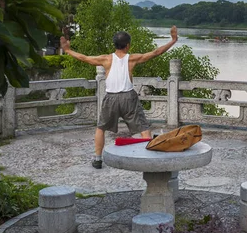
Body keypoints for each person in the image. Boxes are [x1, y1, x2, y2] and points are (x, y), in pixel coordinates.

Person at [60, 26, 178, 169]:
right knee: (144, 128)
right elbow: (156, 52)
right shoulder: (132, 59)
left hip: (111, 98)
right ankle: (148, 158)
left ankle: (97, 159)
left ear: (115, 44)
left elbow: (83, 58)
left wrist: (67, 50)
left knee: (100, 128)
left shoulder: (105, 59)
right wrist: (173, 40)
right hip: (129, 98)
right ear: (128, 45)